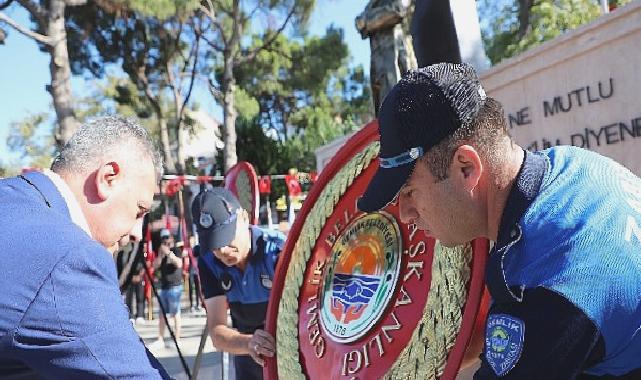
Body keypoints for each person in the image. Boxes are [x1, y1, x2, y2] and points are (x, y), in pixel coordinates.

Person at [357, 63, 641, 379]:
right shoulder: (573, 164)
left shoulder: (543, 288)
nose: (406, 215)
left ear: (466, 168)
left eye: (410, 192)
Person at [0, 116, 171, 378]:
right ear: (108, 178)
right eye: (139, 211)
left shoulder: (13, 198)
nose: (138, 233)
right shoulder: (67, 257)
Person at [191, 187, 285, 380]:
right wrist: (249, 343)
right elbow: (217, 332)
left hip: (286, 354)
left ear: (243, 217)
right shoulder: (208, 261)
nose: (223, 250)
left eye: (227, 238)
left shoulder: (277, 252)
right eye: (215, 244)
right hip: (245, 353)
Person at [151, 229, 184, 348]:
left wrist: (169, 253)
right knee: (162, 314)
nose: (165, 241)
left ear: (171, 238)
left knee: (175, 313)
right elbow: (154, 266)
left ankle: (177, 338)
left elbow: (179, 264)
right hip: (164, 286)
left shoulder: (176, 250)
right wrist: (160, 255)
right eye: (163, 239)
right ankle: (160, 338)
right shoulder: (161, 252)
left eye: (167, 238)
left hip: (175, 286)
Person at [116, 234, 146, 324]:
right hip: (127, 278)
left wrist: (139, 275)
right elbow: (119, 266)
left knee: (140, 296)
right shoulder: (120, 253)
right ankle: (131, 315)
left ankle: (140, 315)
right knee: (128, 297)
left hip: (138, 276)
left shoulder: (137, 251)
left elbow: (144, 264)